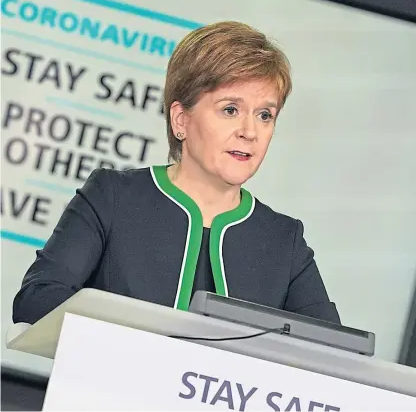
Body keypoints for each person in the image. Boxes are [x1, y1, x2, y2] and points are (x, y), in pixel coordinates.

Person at [12, 21, 340, 325]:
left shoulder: (284, 240)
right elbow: (36, 300)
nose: (249, 131)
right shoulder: (112, 196)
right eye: (230, 110)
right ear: (181, 119)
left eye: (265, 115)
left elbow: (334, 353)